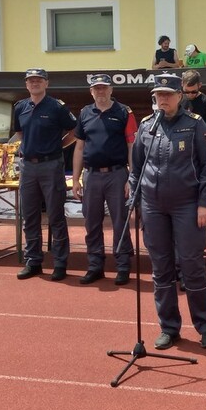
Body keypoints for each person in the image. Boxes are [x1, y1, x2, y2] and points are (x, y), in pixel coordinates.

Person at [129, 72, 206, 349]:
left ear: (180, 96)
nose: (163, 99)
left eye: (168, 95)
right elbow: (136, 167)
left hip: (187, 205)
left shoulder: (195, 124)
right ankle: (169, 327)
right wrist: (135, 201)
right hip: (153, 206)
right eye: (158, 95)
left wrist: (204, 203)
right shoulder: (147, 126)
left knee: (191, 266)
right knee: (161, 268)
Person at [9, 69, 77, 282]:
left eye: (39, 80)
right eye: (31, 80)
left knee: (56, 216)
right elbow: (19, 132)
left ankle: (60, 263)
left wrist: (58, 146)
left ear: (46, 83)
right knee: (29, 216)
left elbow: (74, 131)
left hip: (51, 165)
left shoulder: (57, 107)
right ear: (26, 84)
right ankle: (33, 262)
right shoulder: (20, 107)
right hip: (28, 167)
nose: (35, 83)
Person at [71, 73, 137, 286]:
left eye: (104, 88)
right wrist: (76, 179)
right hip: (91, 176)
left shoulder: (124, 112)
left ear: (111, 90)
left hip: (117, 174)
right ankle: (95, 266)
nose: (100, 91)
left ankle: (123, 266)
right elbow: (79, 147)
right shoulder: (84, 113)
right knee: (91, 222)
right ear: (91, 92)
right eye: (96, 88)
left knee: (120, 222)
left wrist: (131, 177)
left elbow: (132, 146)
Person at [181, 69, 206, 151]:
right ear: (182, 84)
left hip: (202, 147)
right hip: (183, 147)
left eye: (194, 92)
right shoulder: (178, 101)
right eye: (186, 91)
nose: (190, 94)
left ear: (200, 85)